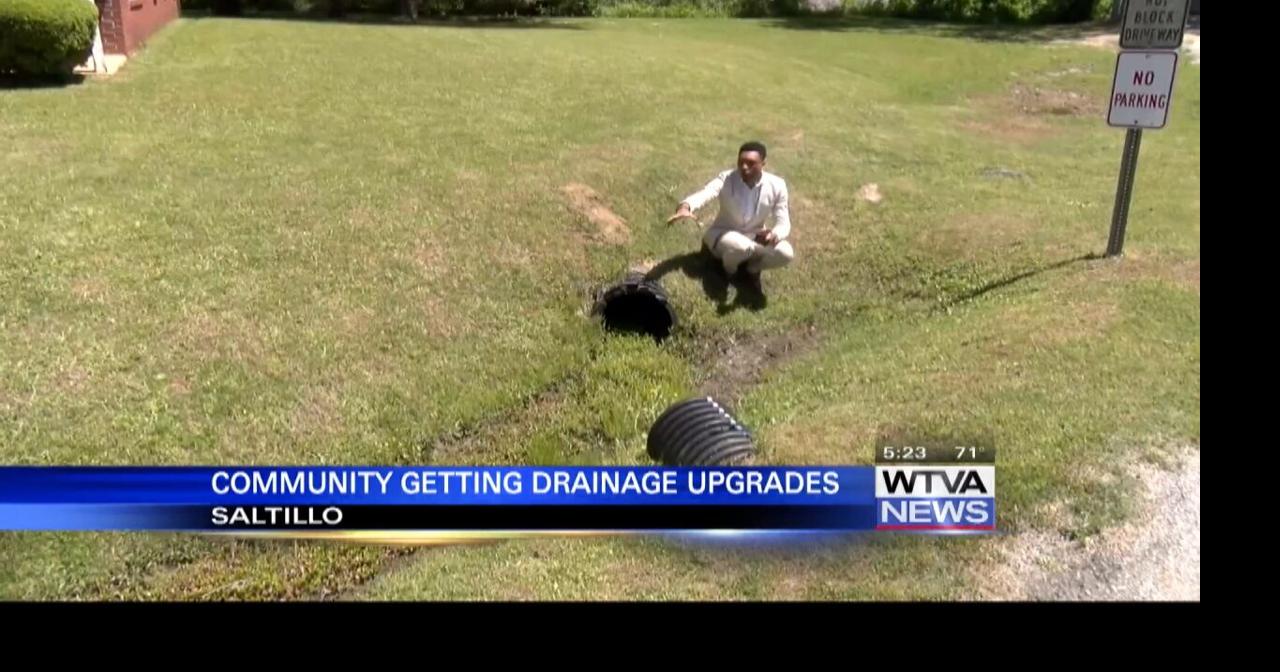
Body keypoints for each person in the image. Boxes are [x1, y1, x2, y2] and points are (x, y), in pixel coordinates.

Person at [667, 141, 794, 294]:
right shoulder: (726, 178)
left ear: (763, 163)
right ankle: (730, 272)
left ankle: (752, 270)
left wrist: (774, 235)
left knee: (786, 253)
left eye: (751, 163)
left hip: (755, 237)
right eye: (741, 162)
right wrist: (685, 207)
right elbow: (707, 193)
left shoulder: (777, 185)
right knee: (742, 246)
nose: (744, 167)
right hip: (723, 234)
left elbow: (783, 222)